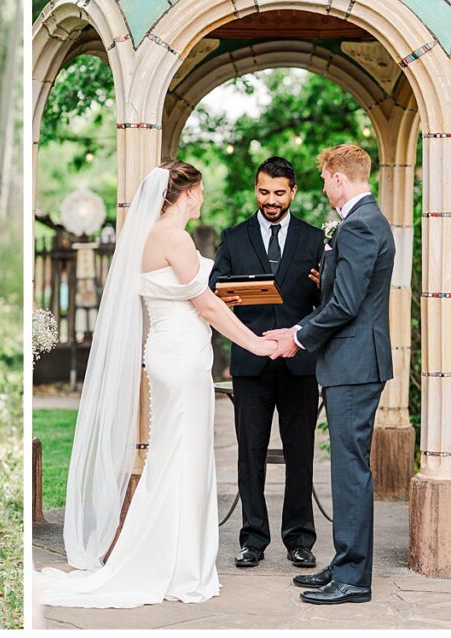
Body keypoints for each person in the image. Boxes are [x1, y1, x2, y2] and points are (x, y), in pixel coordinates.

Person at [36, 161, 277, 608]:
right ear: (186, 194)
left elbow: (181, 293)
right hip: (183, 357)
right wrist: (256, 344)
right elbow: (204, 307)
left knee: (174, 454)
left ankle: (169, 556)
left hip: (166, 350)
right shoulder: (174, 236)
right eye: (199, 192)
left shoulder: (147, 237)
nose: (202, 199)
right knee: (184, 458)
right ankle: (177, 567)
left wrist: (226, 298)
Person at [265, 144, 395, 605]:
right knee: (345, 467)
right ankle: (343, 564)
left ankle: (354, 578)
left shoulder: (359, 226)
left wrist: (297, 336)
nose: (323, 188)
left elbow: (346, 306)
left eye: (324, 180)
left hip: (355, 364)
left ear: (340, 177)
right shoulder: (363, 223)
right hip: (351, 361)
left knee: (350, 470)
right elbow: (344, 294)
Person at [209, 157, 324, 570]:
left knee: (301, 453)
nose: (270, 200)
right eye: (263, 191)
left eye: (278, 193)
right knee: (250, 452)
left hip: (299, 363)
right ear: (254, 190)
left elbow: (328, 303)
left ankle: (299, 539)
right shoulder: (234, 237)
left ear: (293, 192)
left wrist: (322, 285)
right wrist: (226, 296)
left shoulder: (314, 239)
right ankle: (252, 539)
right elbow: (213, 291)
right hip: (250, 363)